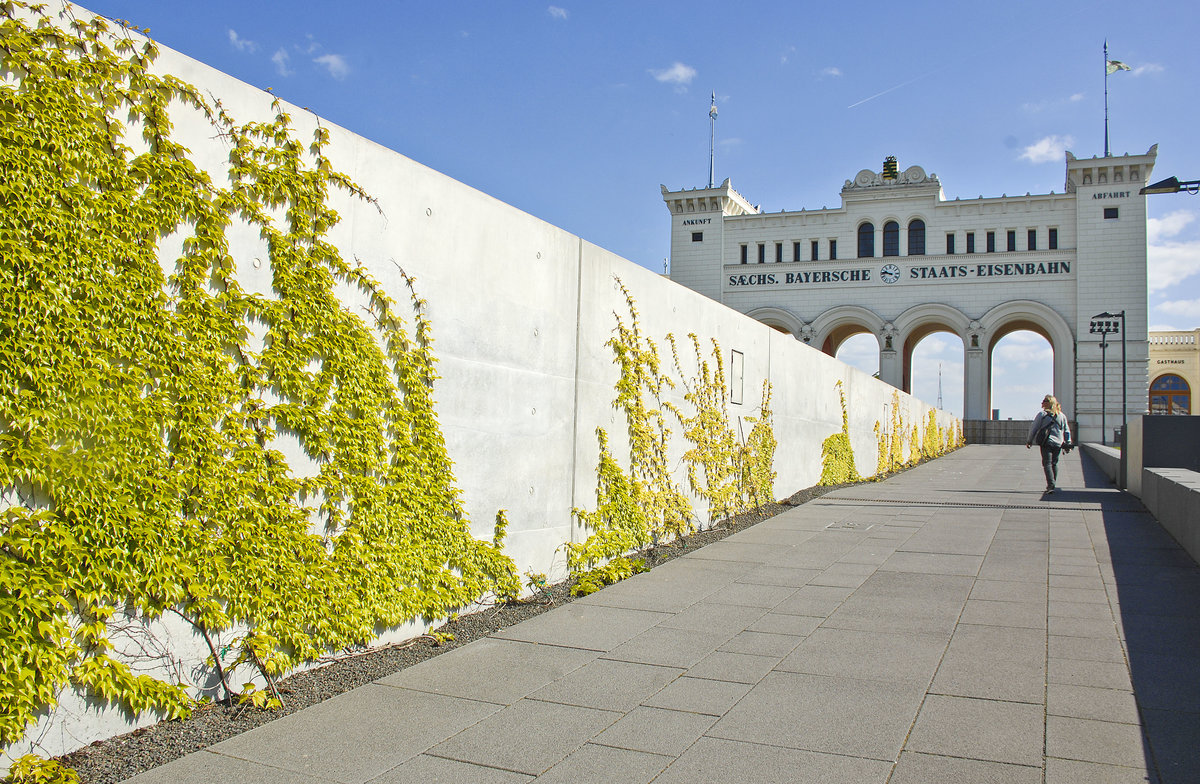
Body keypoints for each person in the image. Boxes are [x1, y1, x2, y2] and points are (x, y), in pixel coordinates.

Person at [1026, 394, 1071, 492]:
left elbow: (1034, 428)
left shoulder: (1042, 415)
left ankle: (1051, 485)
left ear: (1048, 403)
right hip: (1058, 443)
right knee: (1054, 463)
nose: (1042, 403)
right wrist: (1068, 442)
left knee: (1047, 463)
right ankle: (1052, 483)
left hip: (1047, 442)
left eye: (1044, 401)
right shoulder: (1061, 415)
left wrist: (1029, 440)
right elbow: (1066, 430)